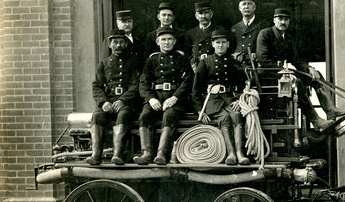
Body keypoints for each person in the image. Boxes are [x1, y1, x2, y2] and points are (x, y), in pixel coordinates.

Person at [255, 8, 345, 131]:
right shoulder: (265, 34)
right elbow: (263, 59)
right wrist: (284, 71)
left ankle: (330, 109)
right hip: (268, 74)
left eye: (286, 19)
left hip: (282, 73)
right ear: (274, 20)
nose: (283, 22)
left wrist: (309, 68)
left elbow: (296, 59)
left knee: (316, 76)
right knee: (297, 83)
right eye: (280, 19)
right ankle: (315, 120)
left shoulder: (288, 38)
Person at [135, 26, 193, 165]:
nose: (166, 42)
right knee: (145, 115)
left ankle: (161, 154)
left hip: (175, 98)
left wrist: (175, 97)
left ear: (174, 41)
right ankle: (147, 153)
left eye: (169, 39)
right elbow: (143, 82)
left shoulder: (181, 58)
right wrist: (151, 98)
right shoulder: (152, 60)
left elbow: (188, 80)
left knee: (169, 115)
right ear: (157, 42)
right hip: (156, 96)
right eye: (163, 40)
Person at [193, 28, 251, 165]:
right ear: (213, 44)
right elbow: (196, 89)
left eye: (223, 42)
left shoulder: (234, 63)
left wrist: (238, 99)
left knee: (237, 115)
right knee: (224, 118)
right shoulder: (205, 62)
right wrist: (200, 110)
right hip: (211, 101)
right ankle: (230, 153)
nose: (220, 45)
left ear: (228, 44)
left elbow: (243, 85)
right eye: (217, 42)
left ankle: (240, 153)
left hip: (229, 98)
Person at [86, 30, 141, 166]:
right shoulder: (103, 64)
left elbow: (136, 85)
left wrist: (123, 100)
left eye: (121, 42)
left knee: (123, 115)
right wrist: (103, 102)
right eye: (115, 42)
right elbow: (96, 86)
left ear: (126, 44)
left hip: (126, 103)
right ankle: (96, 155)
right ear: (110, 44)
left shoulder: (133, 62)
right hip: (108, 101)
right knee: (97, 116)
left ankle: (117, 155)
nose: (118, 45)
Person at [230, 0, 266, 65]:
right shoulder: (235, 28)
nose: (246, 6)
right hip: (239, 65)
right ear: (240, 8)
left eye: (249, 4)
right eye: (244, 4)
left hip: (256, 64)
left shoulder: (263, 26)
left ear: (254, 7)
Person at [186, 0, 217, 70]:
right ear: (196, 16)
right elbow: (187, 54)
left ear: (211, 14)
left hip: (214, 67)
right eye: (200, 13)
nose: (203, 16)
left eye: (206, 13)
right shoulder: (190, 33)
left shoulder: (218, 30)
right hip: (196, 68)